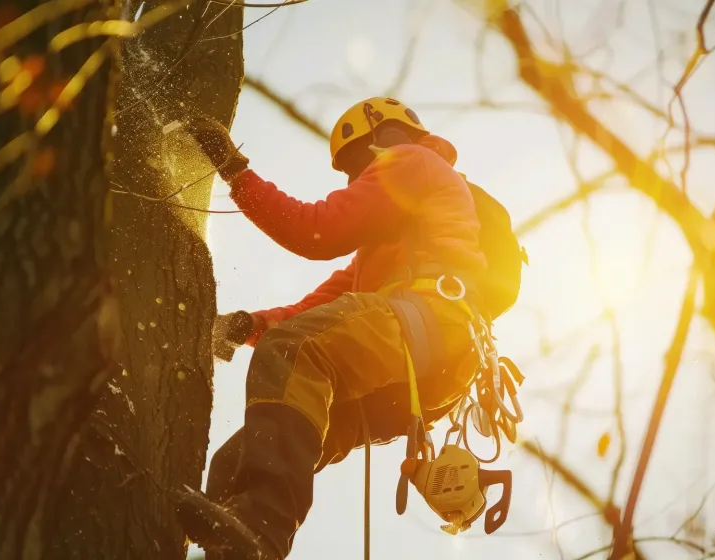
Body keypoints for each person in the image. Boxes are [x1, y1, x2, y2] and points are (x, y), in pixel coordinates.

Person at [183, 97, 488, 559]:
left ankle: (262, 534)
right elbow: (318, 308)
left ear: (385, 137)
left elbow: (315, 230)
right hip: (414, 375)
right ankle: (235, 549)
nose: (354, 180)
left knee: (294, 350)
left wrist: (233, 170)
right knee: (234, 465)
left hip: (431, 324)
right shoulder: (381, 259)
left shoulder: (412, 160)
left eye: (354, 164)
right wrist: (247, 326)